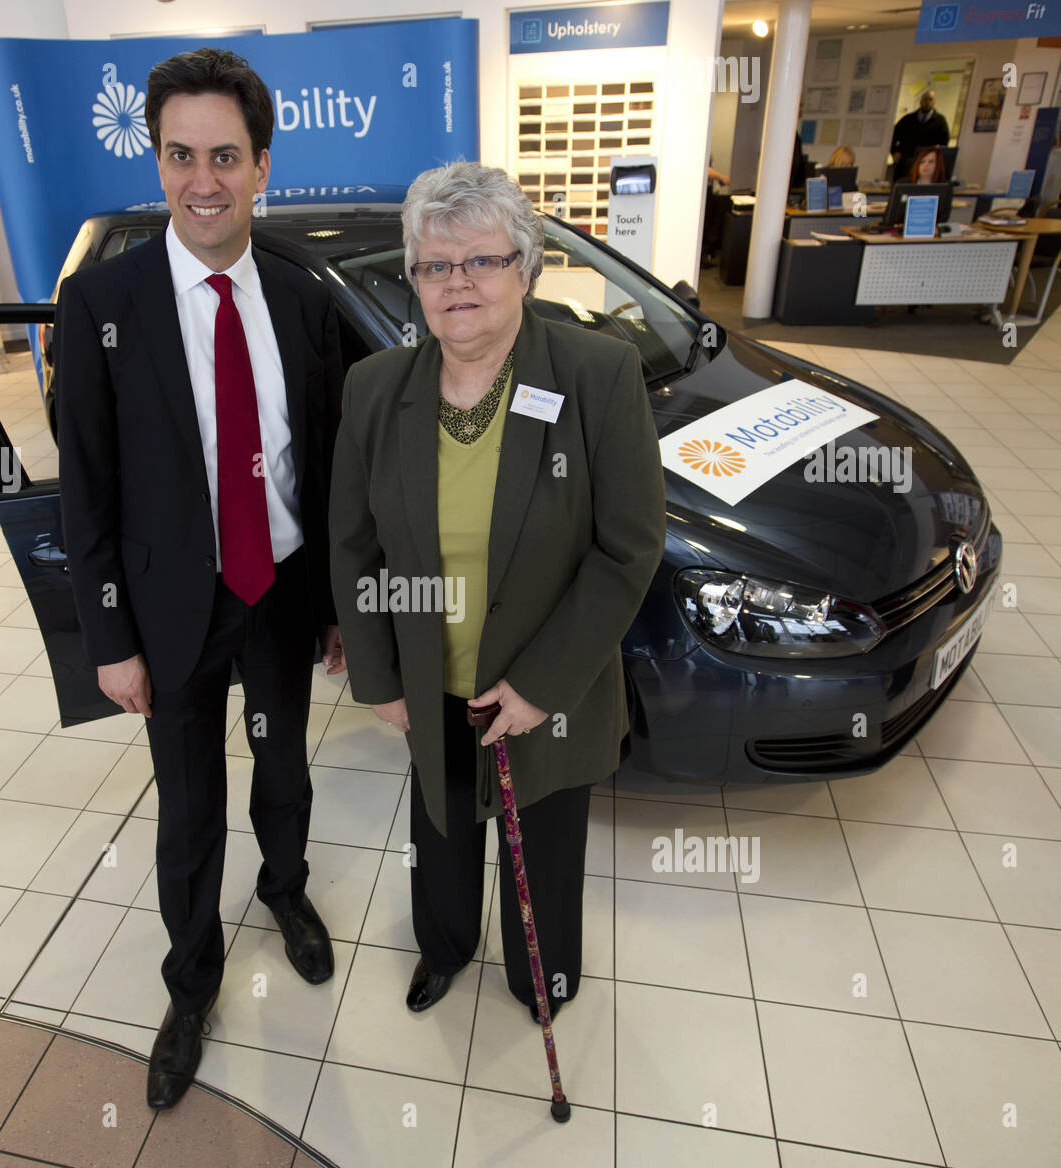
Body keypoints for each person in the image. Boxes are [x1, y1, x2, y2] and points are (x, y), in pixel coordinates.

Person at [56, 47, 346, 1111]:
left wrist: (335, 607)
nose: (203, 180)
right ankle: (191, 982)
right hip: (170, 608)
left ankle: (286, 888)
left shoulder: (301, 299)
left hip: (273, 591)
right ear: (159, 158)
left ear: (262, 166)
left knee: (284, 775)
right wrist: (108, 638)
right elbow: (83, 491)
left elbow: (323, 463)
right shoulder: (102, 305)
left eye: (225, 155)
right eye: (181, 155)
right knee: (188, 807)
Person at [330, 162, 666, 1022]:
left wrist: (540, 685)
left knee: (546, 845)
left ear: (526, 265)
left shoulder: (598, 375)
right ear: (413, 281)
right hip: (429, 680)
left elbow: (627, 549)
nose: (458, 285)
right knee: (440, 833)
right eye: (434, 267)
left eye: (481, 261)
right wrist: (383, 678)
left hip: (543, 686)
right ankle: (443, 950)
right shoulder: (376, 391)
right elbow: (354, 547)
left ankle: (540, 976)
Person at [890, 90, 949, 180]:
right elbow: (893, 136)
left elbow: (944, 143)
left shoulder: (939, 122)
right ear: (920, 101)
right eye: (925, 99)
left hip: (926, 162)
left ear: (934, 102)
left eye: (930, 99)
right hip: (907, 160)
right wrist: (894, 152)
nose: (927, 102)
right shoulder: (908, 119)